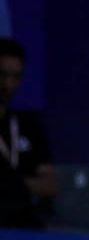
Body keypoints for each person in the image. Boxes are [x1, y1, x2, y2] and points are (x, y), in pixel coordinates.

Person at [0, 38, 56, 229]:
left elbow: (49, 186)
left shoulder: (29, 127)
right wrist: (26, 185)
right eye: (2, 75)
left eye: (15, 77)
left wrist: (10, 185)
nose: (7, 84)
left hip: (23, 223)